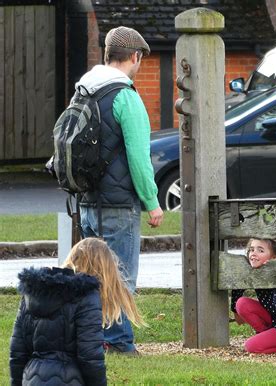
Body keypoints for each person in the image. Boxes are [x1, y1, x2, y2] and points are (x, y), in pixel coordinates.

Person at [74, 26, 163, 354]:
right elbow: (139, 157)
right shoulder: (125, 95)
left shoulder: (83, 90)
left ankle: (90, 338)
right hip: (118, 204)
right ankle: (119, 342)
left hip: (86, 201)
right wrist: (152, 202)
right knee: (120, 277)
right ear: (135, 56)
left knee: (90, 278)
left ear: (108, 53)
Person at [9, 238, 145, 385]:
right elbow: (90, 357)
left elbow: (17, 353)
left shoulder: (32, 292)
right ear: (103, 271)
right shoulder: (86, 297)